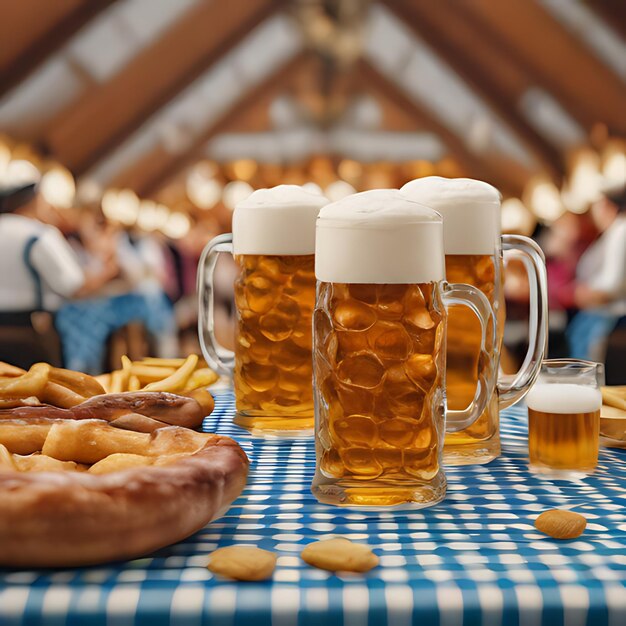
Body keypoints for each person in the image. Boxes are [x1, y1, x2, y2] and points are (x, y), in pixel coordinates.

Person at [567, 183, 626, 360]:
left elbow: (613, 283)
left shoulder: (620, 229)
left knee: (586, 354)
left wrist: (587, 293)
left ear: (608, 205)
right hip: (605, 309)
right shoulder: (613, 231)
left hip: (613, 311)